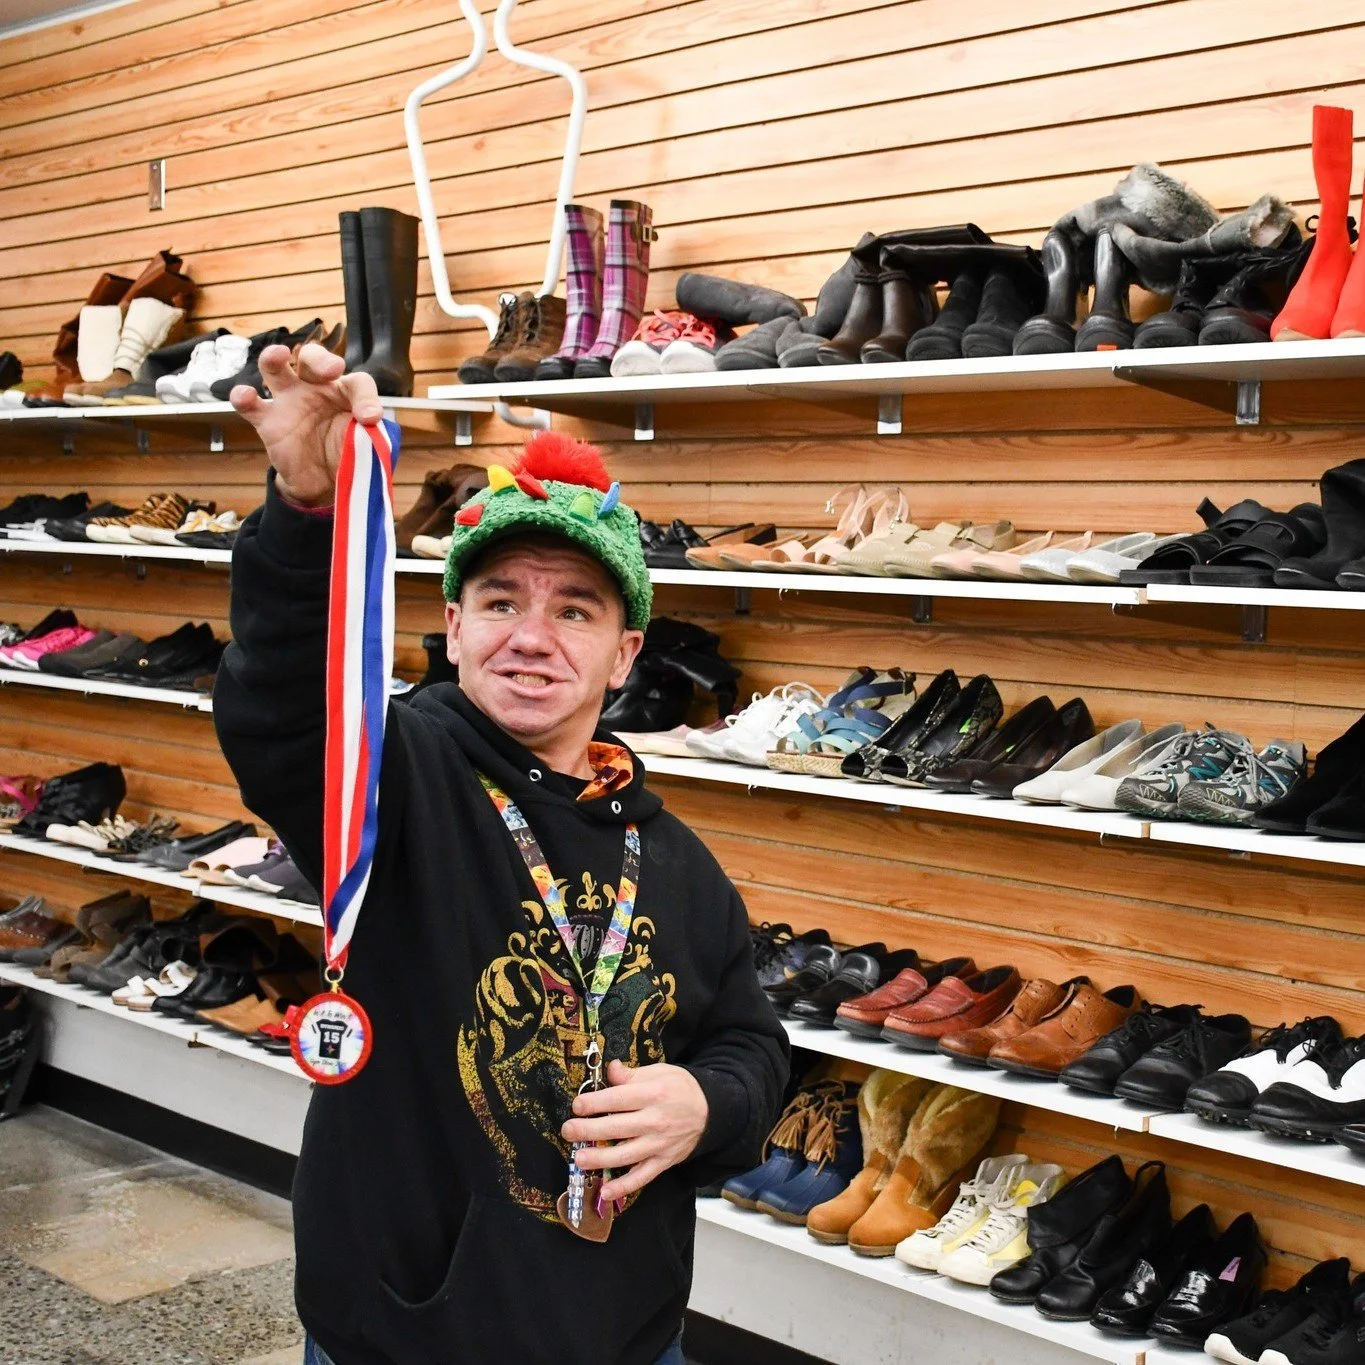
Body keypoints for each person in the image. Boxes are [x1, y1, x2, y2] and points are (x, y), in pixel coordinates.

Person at [216, 342, 789, 1365]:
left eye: (575, 609)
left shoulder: (678, 864)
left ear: (624, 655)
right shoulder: (394, 777)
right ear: (453, 627)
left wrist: (709, 1103)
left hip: (622, 1335)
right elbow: (283, 709)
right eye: (501, 602)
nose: (533, 634)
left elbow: (750, 1046)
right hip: (405, 1333)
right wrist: (310, 513)